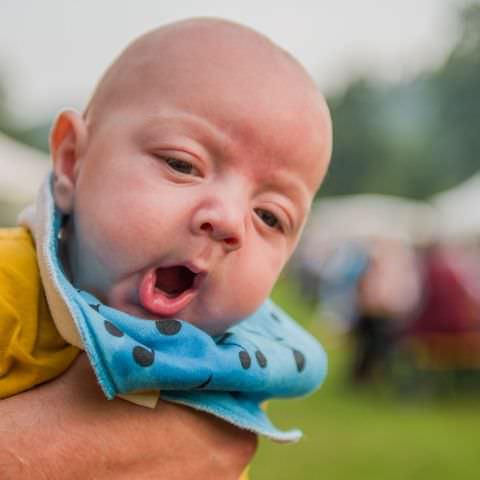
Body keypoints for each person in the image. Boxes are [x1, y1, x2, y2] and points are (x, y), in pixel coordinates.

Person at [0, 18, 332, 478]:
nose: (229, 221)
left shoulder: (219, 370)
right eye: (182, 164)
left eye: (270, 216)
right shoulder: (8, 288)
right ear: (74, 162)